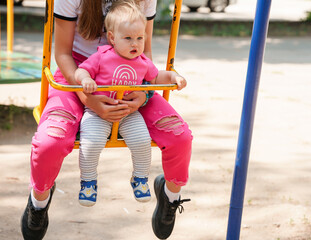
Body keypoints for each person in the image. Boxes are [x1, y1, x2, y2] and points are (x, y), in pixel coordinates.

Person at [20, 0, 192, 239]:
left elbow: (145, 52)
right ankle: (39, 201)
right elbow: (61, 53)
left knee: (179, 135)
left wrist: (144, 92)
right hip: (78, 75)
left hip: (131, 76)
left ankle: (170, 195)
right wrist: (87, 97)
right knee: (51, 141)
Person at [75, 0, 187, 207]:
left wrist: (174, 76)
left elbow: (156, 77)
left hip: (129, 112)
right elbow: (82, 69)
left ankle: (140, 178)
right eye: (128, 38)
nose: (135, 44)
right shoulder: (102, 56)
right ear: (112, 38)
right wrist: (86, 80)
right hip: (98, 111)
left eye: (139, 38)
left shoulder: (142, 62)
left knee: (142, 142)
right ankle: (88, 181)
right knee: (91, 144)